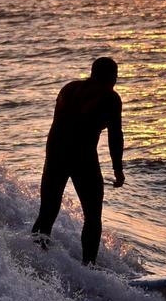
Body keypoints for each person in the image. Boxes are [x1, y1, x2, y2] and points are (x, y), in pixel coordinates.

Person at [31, 56, 124, 264]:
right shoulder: (110, 98)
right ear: (109, 77)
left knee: (47, 211)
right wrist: (118, 170)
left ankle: (34, 262)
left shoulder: (69, 89)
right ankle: (88, 267)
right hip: (83, 159)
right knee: (92, 217)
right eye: (114, 77)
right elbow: (115, 136)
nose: (115, 81)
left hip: (55, 155)